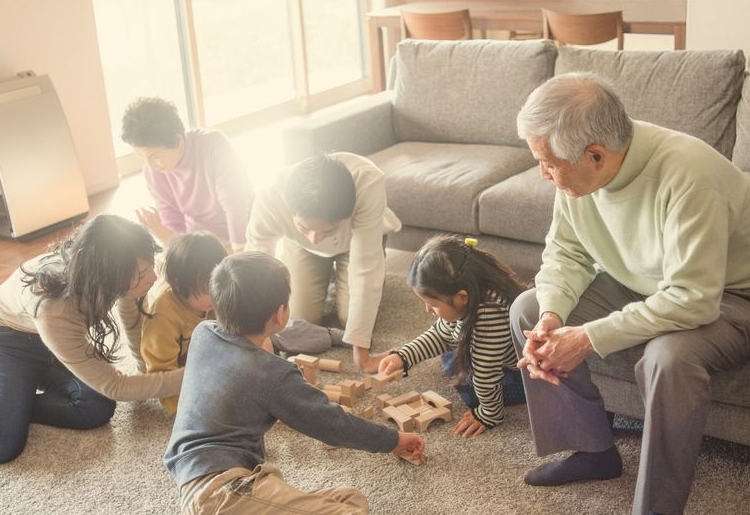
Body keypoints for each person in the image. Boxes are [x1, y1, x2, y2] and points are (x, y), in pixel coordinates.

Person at [510, 73, 750, 515]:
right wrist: (552, 317)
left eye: (548, 163)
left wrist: (587, 337)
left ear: (596, 156)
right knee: (528, 309)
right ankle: (593, 452)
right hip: (648, 282)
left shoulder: (690, 173)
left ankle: (657, 508)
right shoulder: (580, 169)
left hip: (743, 295)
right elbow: (566, 254)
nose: (543, 174)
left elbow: (693, 298)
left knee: (668, 359)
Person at [0, 214, 184, 464]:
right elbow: (115, 385)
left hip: (53, 345)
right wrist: (188, 374)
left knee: (96, 408)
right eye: (144, 274)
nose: (153, 278)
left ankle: (8, 407)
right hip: (4, 341)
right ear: (109, 274)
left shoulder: (104, 270)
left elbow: (130, 309)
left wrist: (146, 368)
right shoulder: (54, 308)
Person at [164, 252, 425, 514]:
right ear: (280, 313)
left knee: (350, 499)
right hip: (222, 493)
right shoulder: (271, 374)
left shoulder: (203, 333)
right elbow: (330, 424)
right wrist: (393, 439)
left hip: (205, 480)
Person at [245, 153, 401, 373]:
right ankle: (324, 271)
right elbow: (255, 265)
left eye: (327, 229)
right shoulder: (271, 195)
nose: (315, 238)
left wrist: (362, 356)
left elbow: (366, 267)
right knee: (296, 318)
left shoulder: (368, 183)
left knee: (351, 322)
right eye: (304, 227)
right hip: (299, 247)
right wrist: (258, 332)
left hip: (355, 243)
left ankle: (338, 273)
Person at [378, 235, 527, 438]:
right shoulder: (468, 293)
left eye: (433, 304)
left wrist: (488, 415)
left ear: (462, 297)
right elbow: (441, 333)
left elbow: (485, 373)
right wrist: (404, 356)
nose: (428, 309)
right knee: (453, 354)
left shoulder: (489, 317)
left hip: (526, 376)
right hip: (493, 353)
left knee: (468, 387)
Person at [121, 97, 254, 252]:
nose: (150, 165)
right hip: (202, 242)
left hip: (242, 231)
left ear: (178, 141)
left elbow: (235, 206)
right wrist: (161, 232)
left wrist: (239, 251)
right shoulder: (152, 172)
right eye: (142, 157)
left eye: (154, 156)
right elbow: (174, 224)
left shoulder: (214, 144)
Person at [141, 231, 229, 415]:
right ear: (179, 285)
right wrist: (185, 411)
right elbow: (161, 375)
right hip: (172, 369)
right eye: (207, 290)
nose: (216, 295)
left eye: (219, 286)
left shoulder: (215, 296)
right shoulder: (162, 317)